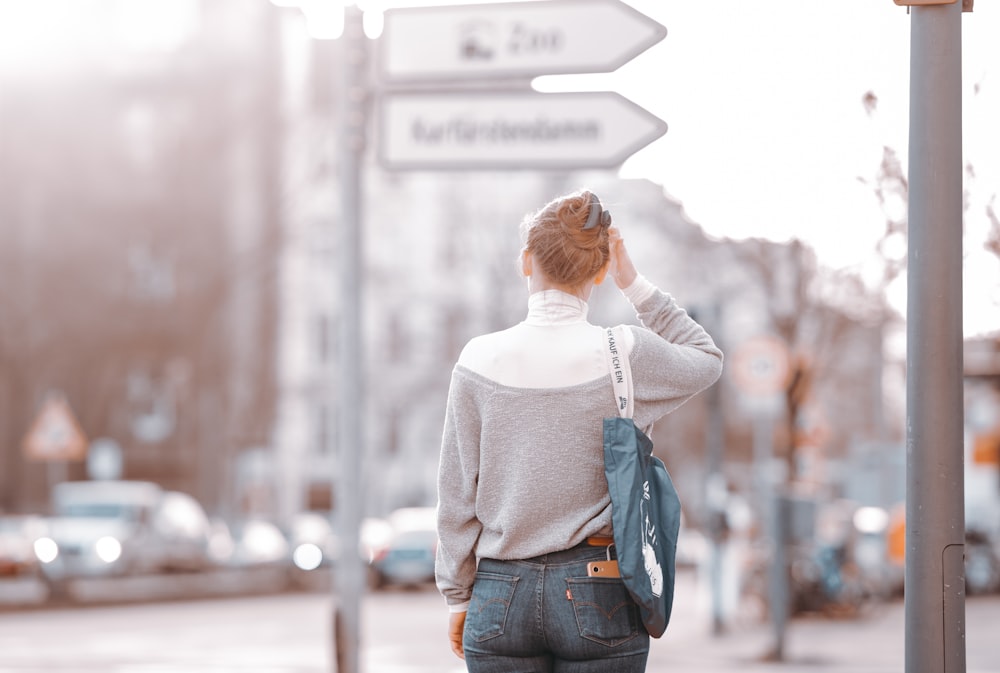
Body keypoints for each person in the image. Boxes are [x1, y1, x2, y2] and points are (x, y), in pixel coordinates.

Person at [435, 189, 724, 672]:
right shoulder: (624, 355)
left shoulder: (477, 359)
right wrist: (633, 284)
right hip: (600, 586)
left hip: (499, 593)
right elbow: (705, 358)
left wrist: (457, 598)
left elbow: (456, 497)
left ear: (527, 262)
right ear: (599, 271)